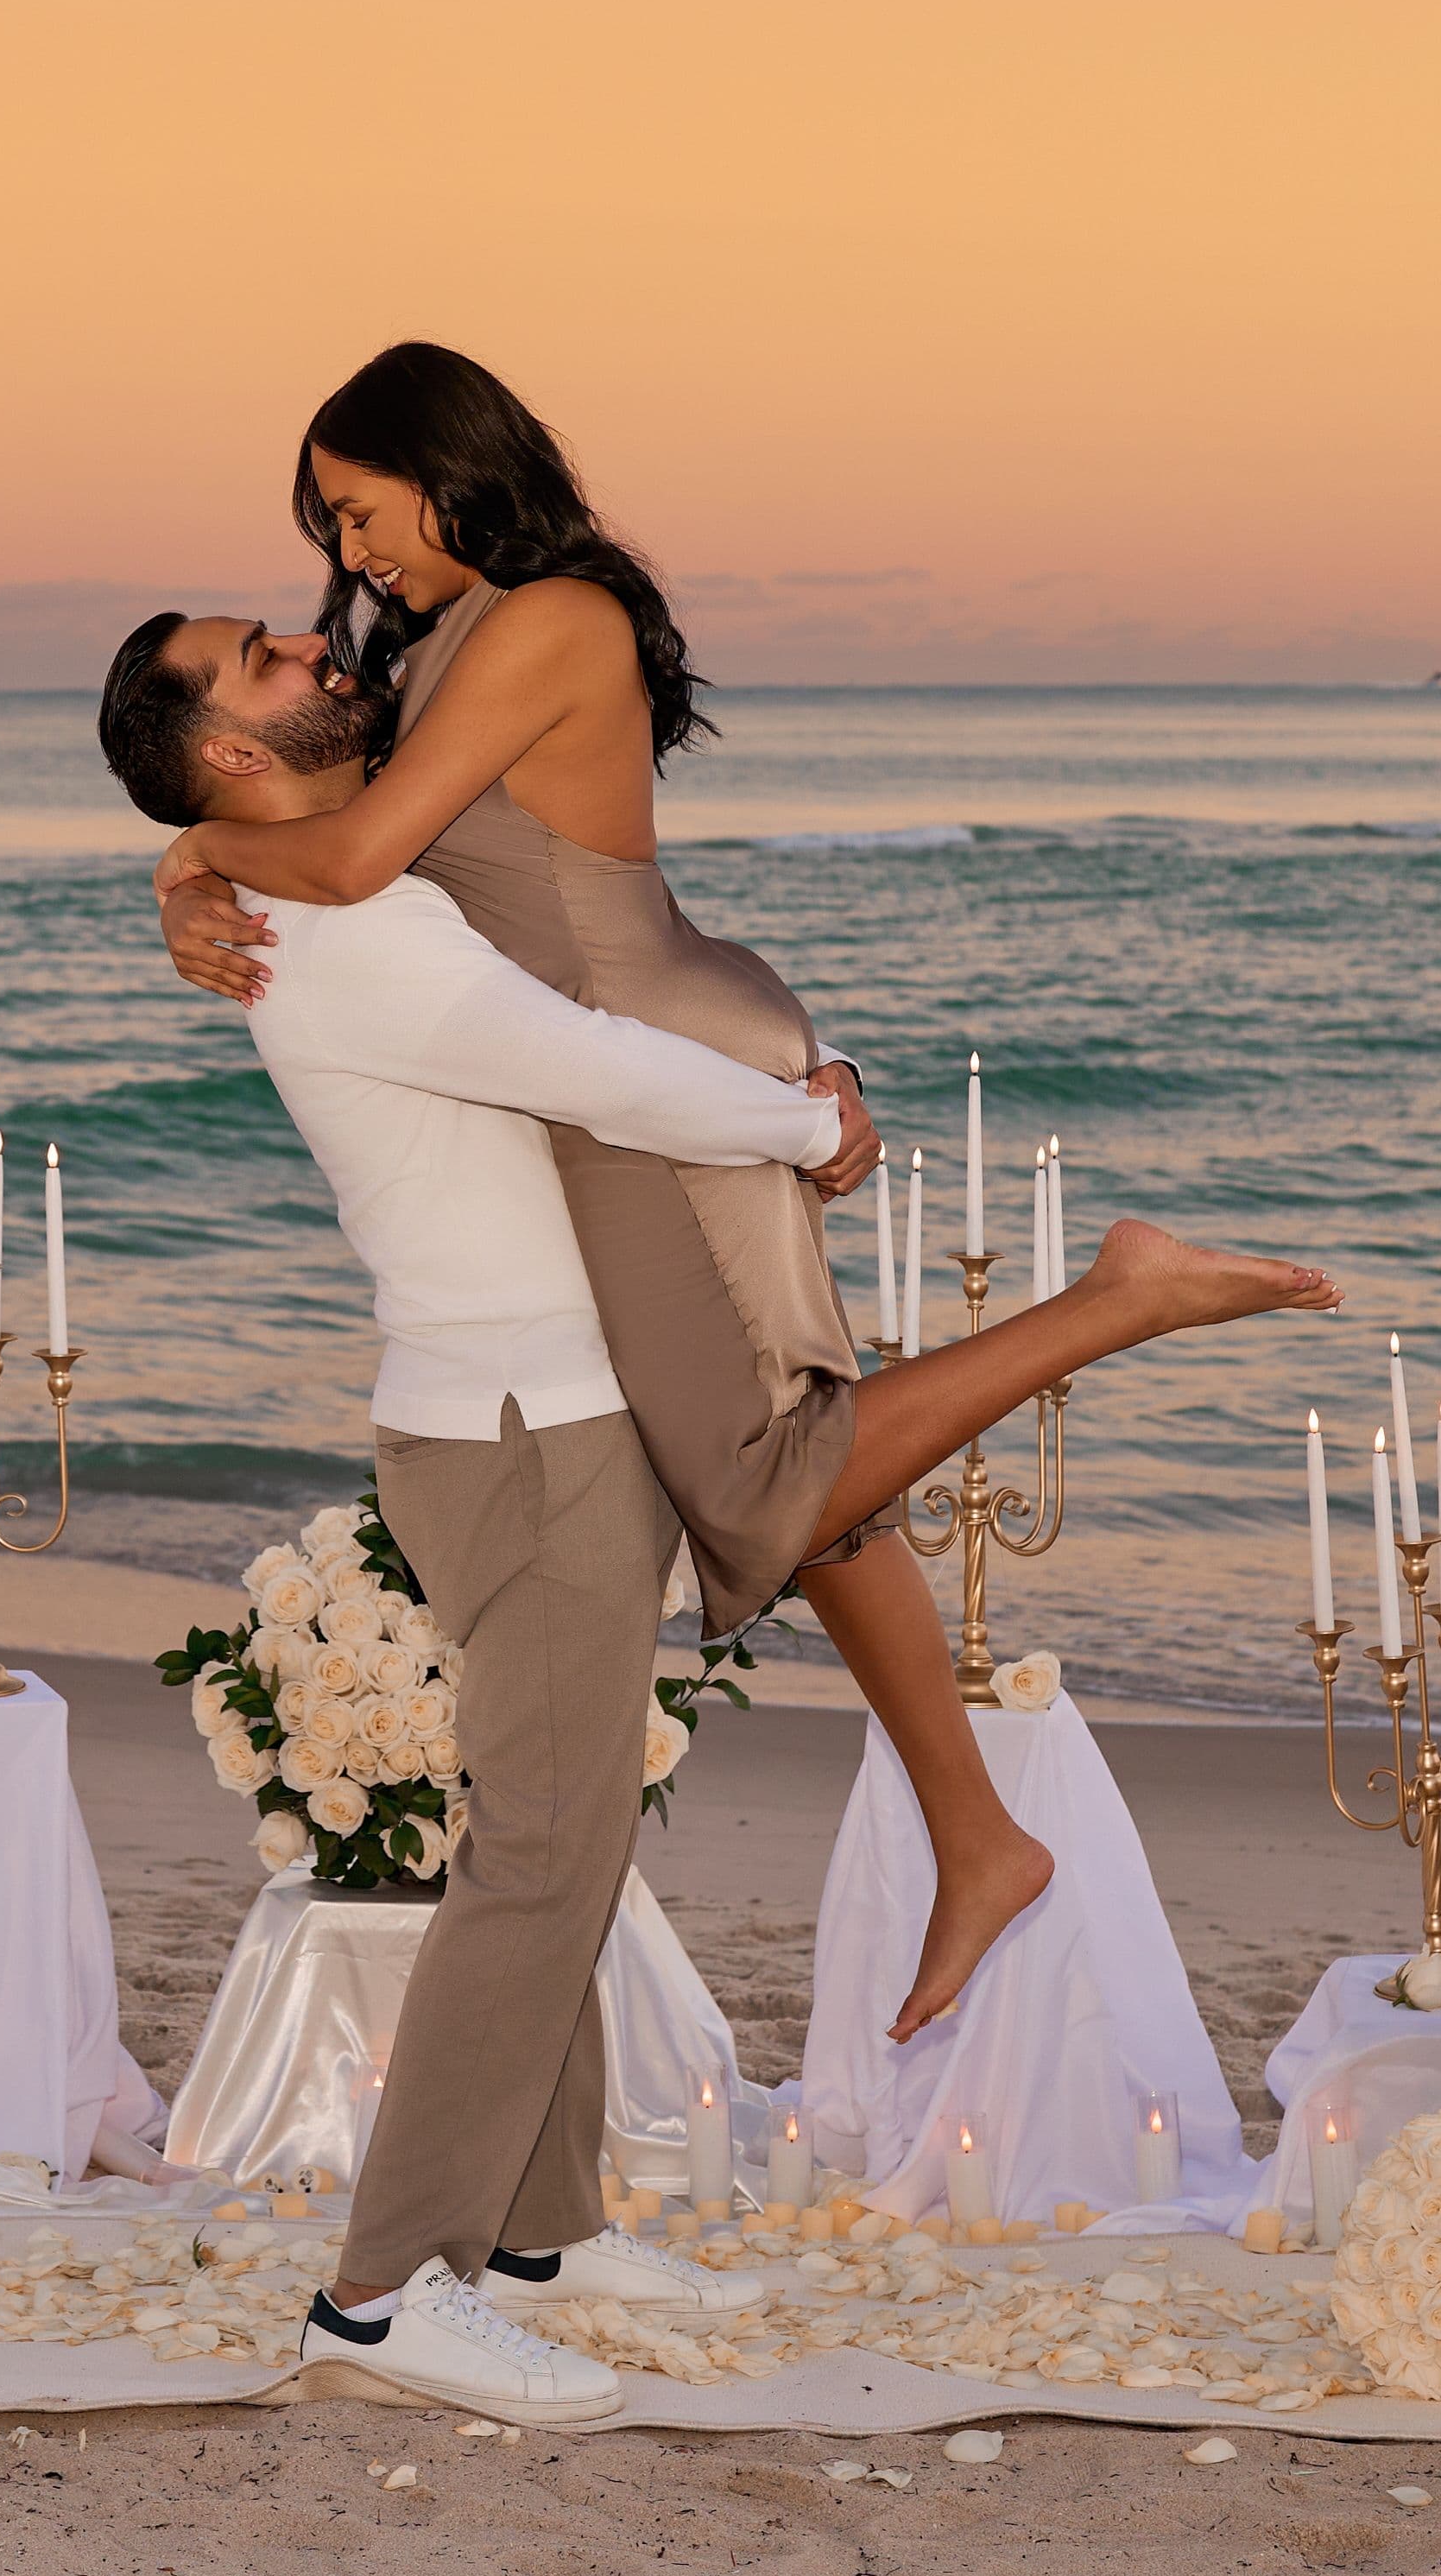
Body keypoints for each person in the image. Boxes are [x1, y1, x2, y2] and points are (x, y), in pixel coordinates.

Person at [149, 340, 1342, 2040]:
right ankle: (978, 1834)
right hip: (637, 1065)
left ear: (446, 462)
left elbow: (345, 855)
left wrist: (192, 852)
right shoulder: (442, 646)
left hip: (656, 1076)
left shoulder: (552, 616)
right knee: (797, 1470)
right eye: (328, 528)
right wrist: (194, 867)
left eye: (357, 510)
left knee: (760, 1466)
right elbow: (358, 839)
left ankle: (1119, 1297)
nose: (347, 557)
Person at [98, 604, 874, 2424]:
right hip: (528, 1434)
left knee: (561, 1836)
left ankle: (541, 2234)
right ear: (229, 752)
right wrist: (807, 1123)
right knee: (536, 1856)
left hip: (522, 1417)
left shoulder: (330, 887)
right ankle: (378, 2296)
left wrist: (183, 866)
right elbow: (591, 1064)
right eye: (266, 656)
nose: (317, 641)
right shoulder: (351, 928)